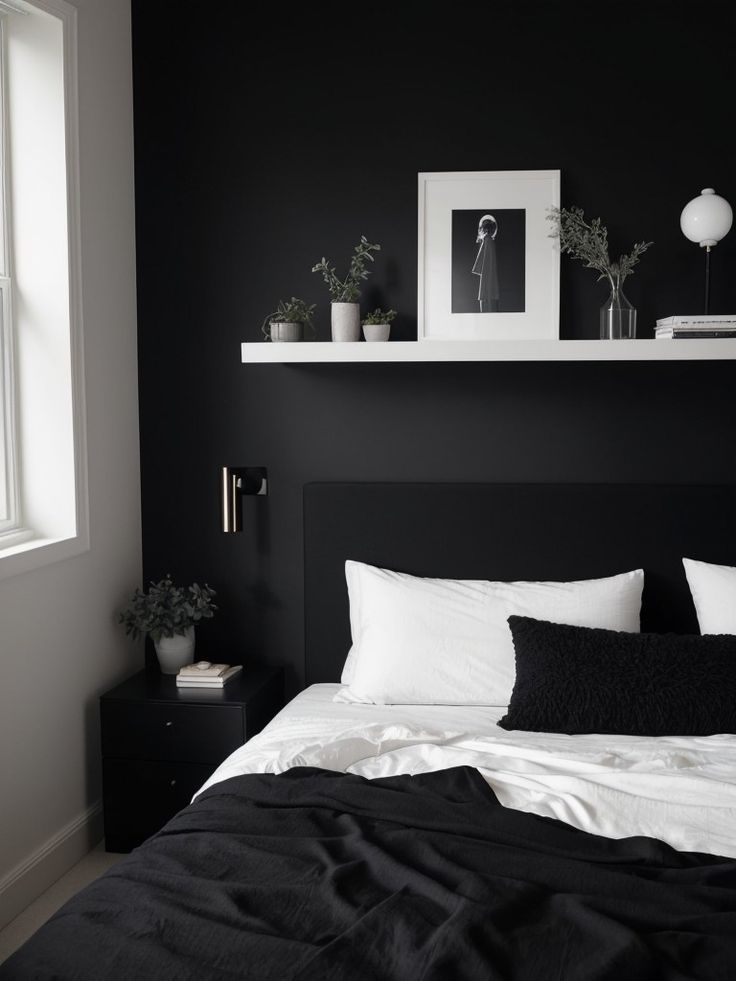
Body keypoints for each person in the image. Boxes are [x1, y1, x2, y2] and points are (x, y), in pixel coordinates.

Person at [471, 214, 500, 312]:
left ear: (484, 230)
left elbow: (482, 268)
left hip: (487, 290)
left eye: (480, 230)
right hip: (490, 288)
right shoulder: (489, 241)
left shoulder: (487, 241)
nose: (479, 232)